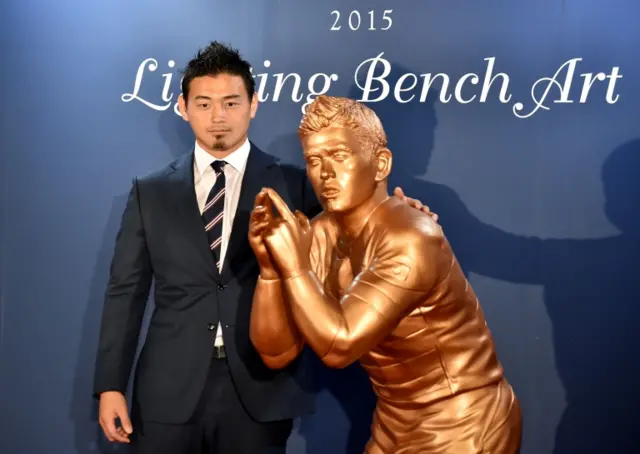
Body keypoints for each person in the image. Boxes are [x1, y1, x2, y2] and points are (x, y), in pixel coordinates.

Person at [93, 42, 436, 454]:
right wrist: (111, 385)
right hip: (168, 388)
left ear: (253, 105)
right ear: (183, 108)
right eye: (203, 104)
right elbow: (125, 292)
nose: (218, 117)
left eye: (231, 102)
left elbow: (359, 221)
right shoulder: (149, 192)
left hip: (261, 390)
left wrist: (402, 210)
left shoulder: (298, 184)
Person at [249, 94, 523, 453]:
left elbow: (338, 346)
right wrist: (271, 271)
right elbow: (276, 353)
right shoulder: (320, 232)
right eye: (314, 160)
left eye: (339, 156)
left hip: (463, 419)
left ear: (380, 164)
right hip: (395, 421)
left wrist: (295, 267)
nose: (325, 173)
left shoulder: (413, 237)